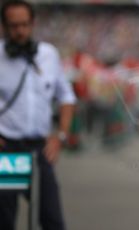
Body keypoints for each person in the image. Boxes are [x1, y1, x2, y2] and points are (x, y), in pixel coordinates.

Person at [0, 1, 76, 229]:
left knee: (52, 220)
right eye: (13, 25)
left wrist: (60, 135)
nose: (20, 31)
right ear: (4, 26)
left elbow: (67, 97)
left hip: (40, 150)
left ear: (33, 24)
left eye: (24, 24)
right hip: (7, 152)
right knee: (4, 221)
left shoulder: (48, 54)